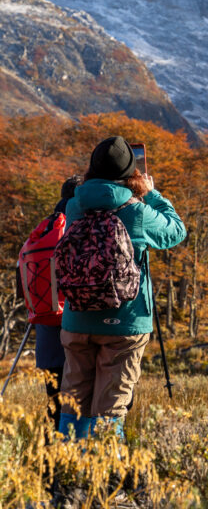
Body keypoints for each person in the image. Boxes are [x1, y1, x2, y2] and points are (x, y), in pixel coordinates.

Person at [58, 136, 186, 439]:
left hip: (76, 318)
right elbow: (176, 231)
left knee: (73, 400)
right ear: (132, 172)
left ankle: (65, 470)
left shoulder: (74, 206)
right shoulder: (136, 212)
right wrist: (152, 194)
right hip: (125, 322)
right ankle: (106, 477)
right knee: (111, 404)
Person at [32, 175, 82, 430]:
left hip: (46, 339)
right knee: (78, 410)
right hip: (77, 337)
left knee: (54, 407)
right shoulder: (81, 227)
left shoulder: (43, 231)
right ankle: (75, 461)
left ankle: (51, 461)